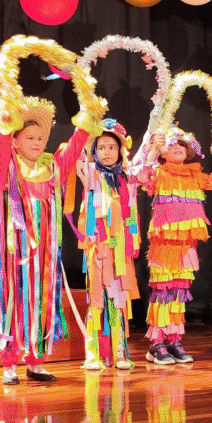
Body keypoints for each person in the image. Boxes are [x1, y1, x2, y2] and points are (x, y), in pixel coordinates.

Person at [0, 96, 104, 385]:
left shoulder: (53, 168)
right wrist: (5, 123)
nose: (37, 142)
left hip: (44, 255)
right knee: (13, 303)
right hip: (13, 255)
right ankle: (9, 364)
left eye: (41, 137)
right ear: (15, 142)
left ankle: (36, 363)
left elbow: (73, 149)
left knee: (42, 302)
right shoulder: (5, 167)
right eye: (29, 137)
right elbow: (0, 144)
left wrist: (87, 120)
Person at [139, 126, 212, 365]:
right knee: (162, 292)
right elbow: (140, 176)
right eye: (172, 145)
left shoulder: (194, 174)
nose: (177, 148)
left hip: (186, 245)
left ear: (189, 152)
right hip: (164, 245)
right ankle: (156, 344)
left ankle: (174, 340)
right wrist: (152, 149)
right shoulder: (158, 172)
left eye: (182, 145)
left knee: (178, 293)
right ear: (164, 151)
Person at [70, 118, 142, 371]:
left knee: (119, 299)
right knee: (97, 299)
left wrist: (133, 237)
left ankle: (119, 351)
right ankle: (92, 352)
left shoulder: (126, 178)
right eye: (101, 147)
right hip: (97, 245)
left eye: (112, 147)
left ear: (120, 150)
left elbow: (130, 211)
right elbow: (76, 155)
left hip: (120, 248)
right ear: (94, 151)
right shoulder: (89, 173)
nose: (107, 152)